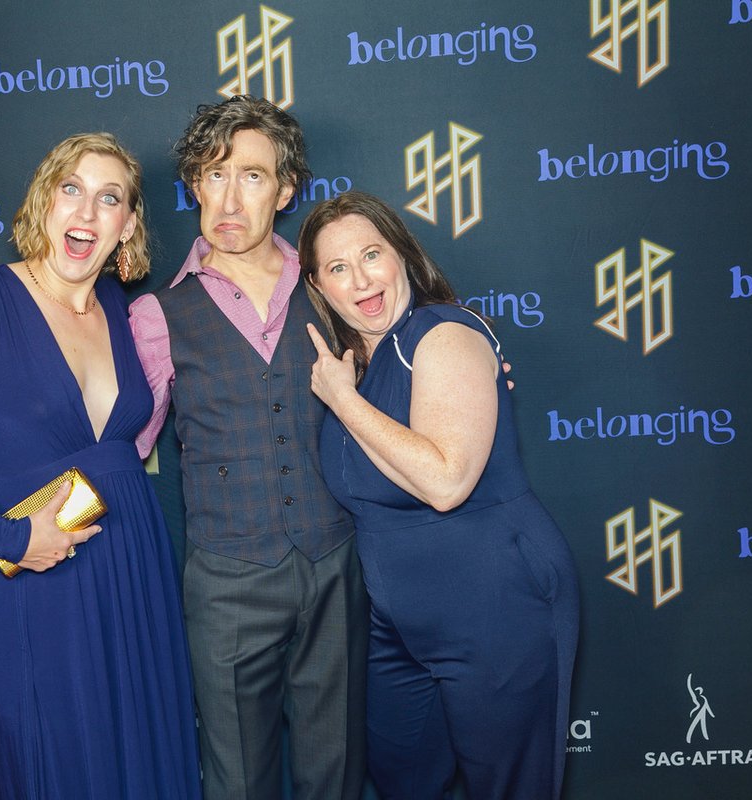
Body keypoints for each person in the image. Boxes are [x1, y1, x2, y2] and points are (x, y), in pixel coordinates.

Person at [0, 133, 202, 800]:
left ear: (128, 226)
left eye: (109, 198)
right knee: (54, 764)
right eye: (72, 189)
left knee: (145, 761)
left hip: (133, 569)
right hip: (35, 581)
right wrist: (10, 536)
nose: (86, 213)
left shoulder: (121, 311)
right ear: (45, 200)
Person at [297, 190, 579, 800]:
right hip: (396, 626)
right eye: (338, 267)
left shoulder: (442, 333)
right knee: (403, 781)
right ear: (319, 285)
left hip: (496, 603)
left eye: (372, 254)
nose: (361, 279)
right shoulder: (357, 363)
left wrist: (341, 401)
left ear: (402, 254)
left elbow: (446, 481)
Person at [130, 96, 368, 799]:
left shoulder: (330, 288)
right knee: (237, 781)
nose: (229, 197)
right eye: (212, 175)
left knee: (338, 771)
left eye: (252, 176)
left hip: (334, 563)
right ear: (194, 186)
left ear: (287, 190)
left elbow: (399, 380)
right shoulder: (157, 314)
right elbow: (117, 447)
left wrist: (476, 361)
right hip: (228, 580)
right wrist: (13, 514)